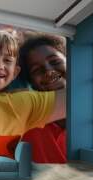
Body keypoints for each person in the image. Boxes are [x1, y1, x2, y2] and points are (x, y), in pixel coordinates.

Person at [19, 34, 67, 163]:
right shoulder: (29, 131)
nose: (49, 71)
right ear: (32, 84)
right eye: (36, 70)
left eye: (55, 61)